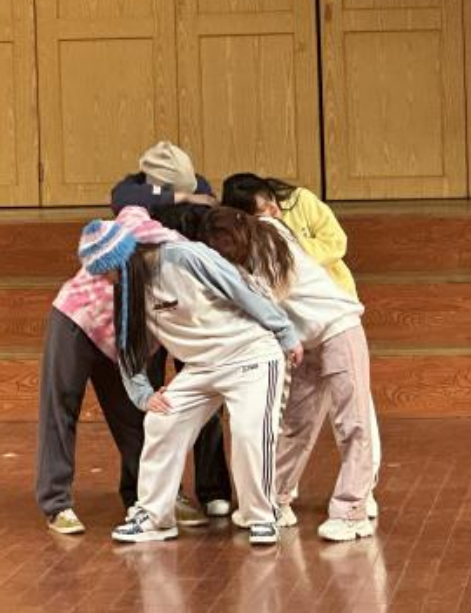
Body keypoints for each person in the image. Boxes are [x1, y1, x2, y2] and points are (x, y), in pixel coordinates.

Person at [156, 204, 382, 541]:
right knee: (295, 425)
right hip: (302, 343)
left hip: (337, 328)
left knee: (353, 423)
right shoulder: (241, 256)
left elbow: (260, 306)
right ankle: (274, 501)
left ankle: (352, 511)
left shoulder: (270, 236)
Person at [75, 218, 304, 545]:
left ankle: (261, 516)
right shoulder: (128, 291)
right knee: (161, 420)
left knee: (248, 432)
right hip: (201, 367)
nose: (106, 281)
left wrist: (284, 331)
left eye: (107, 272)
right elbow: (128, 348)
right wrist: (143, 395)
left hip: (249, 354)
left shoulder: (183, 257)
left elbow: (242, 288)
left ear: (123, 260)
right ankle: (154, 517)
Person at [35, 207, 203, 534]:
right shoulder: (140, 233)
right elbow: (128, 209)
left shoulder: (186, 260)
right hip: (77, 319)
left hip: (126, 340)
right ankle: (57, 503)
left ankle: (151, 497)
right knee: (61, 407)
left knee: (138, 415)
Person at [111, 141, 232, 519]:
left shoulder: (197, 183)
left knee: (205, 393)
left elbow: (207, 201)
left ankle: (213, 488)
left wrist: (181, 196)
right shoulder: (131, 189)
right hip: (146, 303)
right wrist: (179, 197)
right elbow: (122, 200)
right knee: (147, 399)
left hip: (186, 303)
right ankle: (141, 490)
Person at [222, 174, 357, 300]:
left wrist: (288, 243)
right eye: (263, 209)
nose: (274, 208)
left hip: (333, 289)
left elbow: (336, 244)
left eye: (270, 198)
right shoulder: (244, 234)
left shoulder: (301, 199)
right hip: (290, 301)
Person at [111, 140, 218, 213]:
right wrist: (184, 197)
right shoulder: (135, 187)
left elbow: (210, 203)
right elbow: (120, 198)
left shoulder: (197, 183)